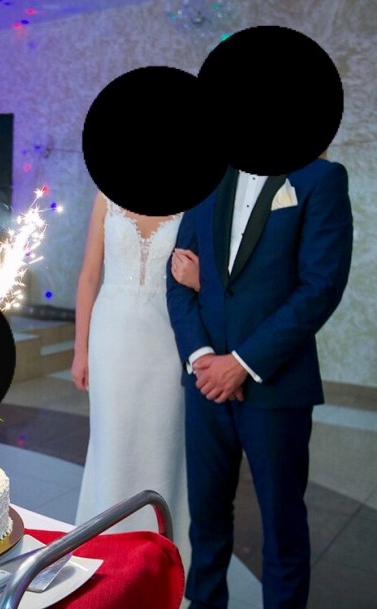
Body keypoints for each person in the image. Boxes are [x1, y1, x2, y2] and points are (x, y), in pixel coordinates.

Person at [166, 158, 353, 609]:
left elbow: (320, 287)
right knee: (205, 518)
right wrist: (202, 358)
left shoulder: (320, 178)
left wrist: (242, 363)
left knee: (282, 523)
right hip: (205, 384)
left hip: (276, 383)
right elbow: (177, 276)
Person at [71, 190, 198, 571]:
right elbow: (89, 275)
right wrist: (80, 349)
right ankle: (104, 554)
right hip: (111, 336)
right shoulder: (106, 198)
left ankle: (161, 556)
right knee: (111, 440)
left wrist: (198, 281)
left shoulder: (192, 201)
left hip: (167, 338)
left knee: (164, 442)